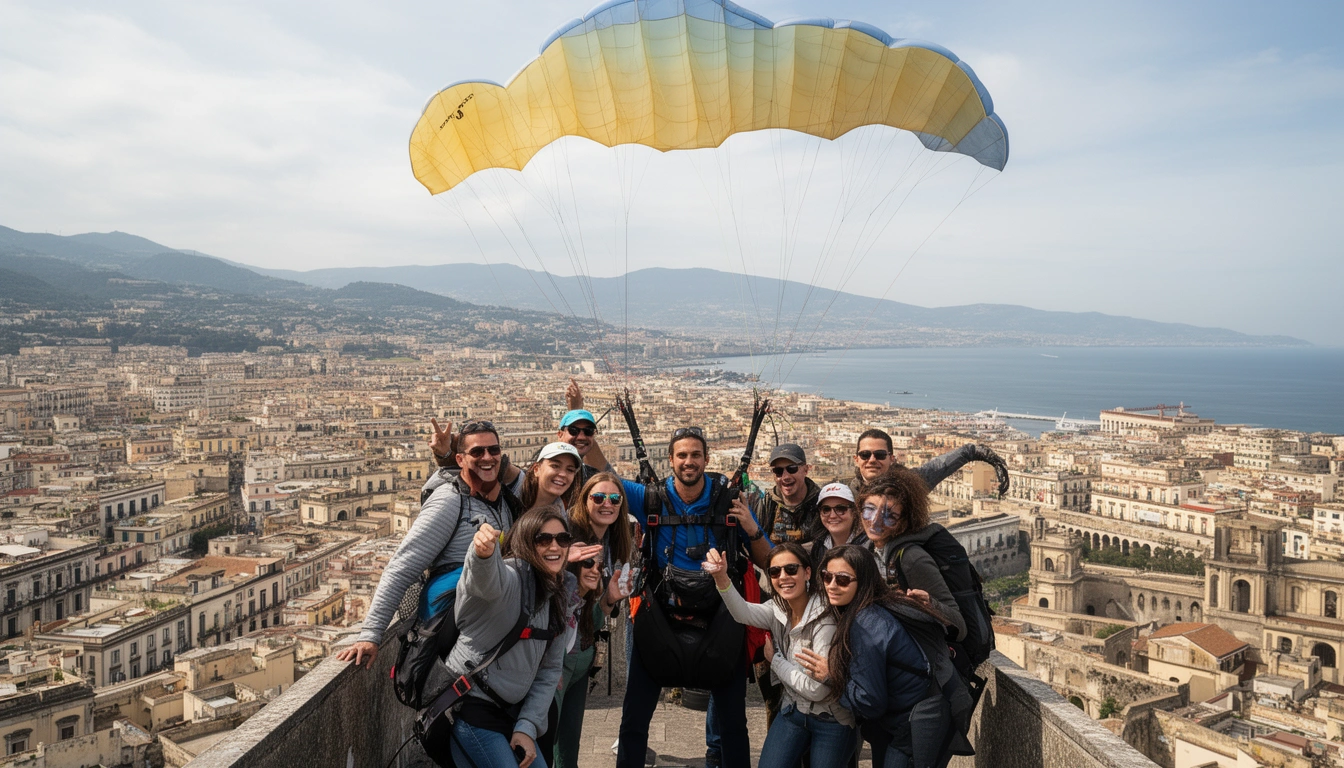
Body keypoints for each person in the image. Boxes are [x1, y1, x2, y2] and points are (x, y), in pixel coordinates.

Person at [615, 426, 772, 768]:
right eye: (682, 455)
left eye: (695, 455)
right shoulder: (651, 498)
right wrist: (580, 430)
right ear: (670, 460)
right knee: (634, 720)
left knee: (734, 725)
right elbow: (604, 479)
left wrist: (750, 527)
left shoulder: (730, 501)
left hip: (721, 620)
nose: (689, 462)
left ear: (706, 459)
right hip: (661, 617)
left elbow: (770, 561)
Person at [338, 420, 523, 669]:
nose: (487, 457)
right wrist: (371, 633)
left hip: (491, 638)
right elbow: (402, 567)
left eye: (494, 450)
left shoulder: (503, 499)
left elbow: (539, 481)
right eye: (477, 452)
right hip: (456, 644)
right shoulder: (449, 501)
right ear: (460, 460)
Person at [429, 510, 570, 768]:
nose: (554, 546)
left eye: (563, 539)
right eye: (543, 539)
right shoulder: (511, 578)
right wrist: (482, 554)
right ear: (526, 542)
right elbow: (485, 582)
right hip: (469, 706)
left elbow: (550, 670)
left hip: (510, 712)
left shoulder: (557, 596)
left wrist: (527, 726)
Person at [702, 542, 855, 768]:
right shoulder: (778, 607)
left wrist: (776, 661)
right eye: (775, 572)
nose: (783, 577)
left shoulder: (825, 620)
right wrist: (721, 578)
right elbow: (742, 612)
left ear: (807, 572)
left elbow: (817, 690)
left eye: (791, 569)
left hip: (831, 719)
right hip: (793, 710)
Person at [797, 545, 945, 768]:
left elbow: (870, 702)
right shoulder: (877, 605)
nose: (832, 585)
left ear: (863, 581)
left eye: (843, 579)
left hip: (911, 725)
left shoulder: (865, 625)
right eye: (827, 577)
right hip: (906, 718)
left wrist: (832, 676)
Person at [553, 542, 626, 768]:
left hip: (578, 676)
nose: (595, 570)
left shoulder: (585, 597)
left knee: (570, 742)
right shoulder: (558, 596)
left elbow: (590, 625)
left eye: (599, 566)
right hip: (555, 677)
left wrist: (609, 599)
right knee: (547, 738)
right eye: (587, 563)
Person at [847, 429, 1010, 498]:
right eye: (865, 455)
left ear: (892, 458)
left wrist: (979, 453)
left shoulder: (909, 485)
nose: (872, 460)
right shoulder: (847, 497)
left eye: (880, 455)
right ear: (856, 459)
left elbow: (941, 465)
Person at [806, 483, 867, 572]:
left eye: (841, 509)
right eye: (826, 509)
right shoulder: (817, 548)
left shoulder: (868, 546)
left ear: (854, 512)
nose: (833, 515)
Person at [520, 442, 584, 514]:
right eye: (555, 466)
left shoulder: (562, 513)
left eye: (570, 470)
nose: (563, 474)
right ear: (536, 469)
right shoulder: (515, 494)